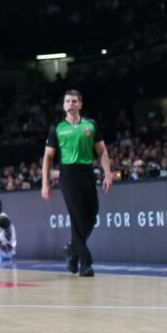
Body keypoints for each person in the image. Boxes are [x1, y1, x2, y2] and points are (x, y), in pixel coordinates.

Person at [41, 89, 112, 277]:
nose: (70, 104)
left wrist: (108, 173)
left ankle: (72, 250)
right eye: (67, 101)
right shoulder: (57, 129)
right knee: (77, 216)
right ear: (64, 106)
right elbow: (48, 157)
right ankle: (85, 263)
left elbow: (102, 151)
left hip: (87, 172)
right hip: (68, 174)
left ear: (80, 104)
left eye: (74, 101)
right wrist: (45, 183)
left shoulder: (91, 125)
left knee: (92, 215)